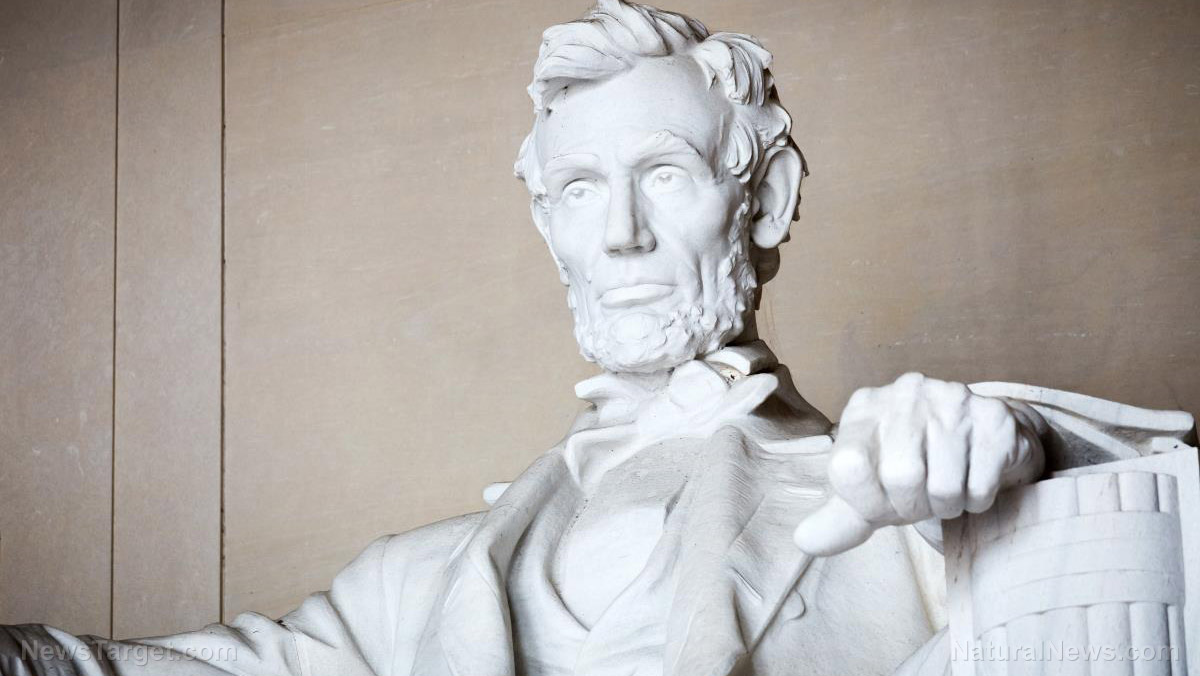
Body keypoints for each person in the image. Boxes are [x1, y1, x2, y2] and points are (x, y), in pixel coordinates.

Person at [2, 1, 1185, 675]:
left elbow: (1135, 526)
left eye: (663, 175)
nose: (619, 232)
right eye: (579, 189)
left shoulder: (903, 507)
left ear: (763, 200)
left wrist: (1014, 443)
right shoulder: (419, 584)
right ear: (545, 222)